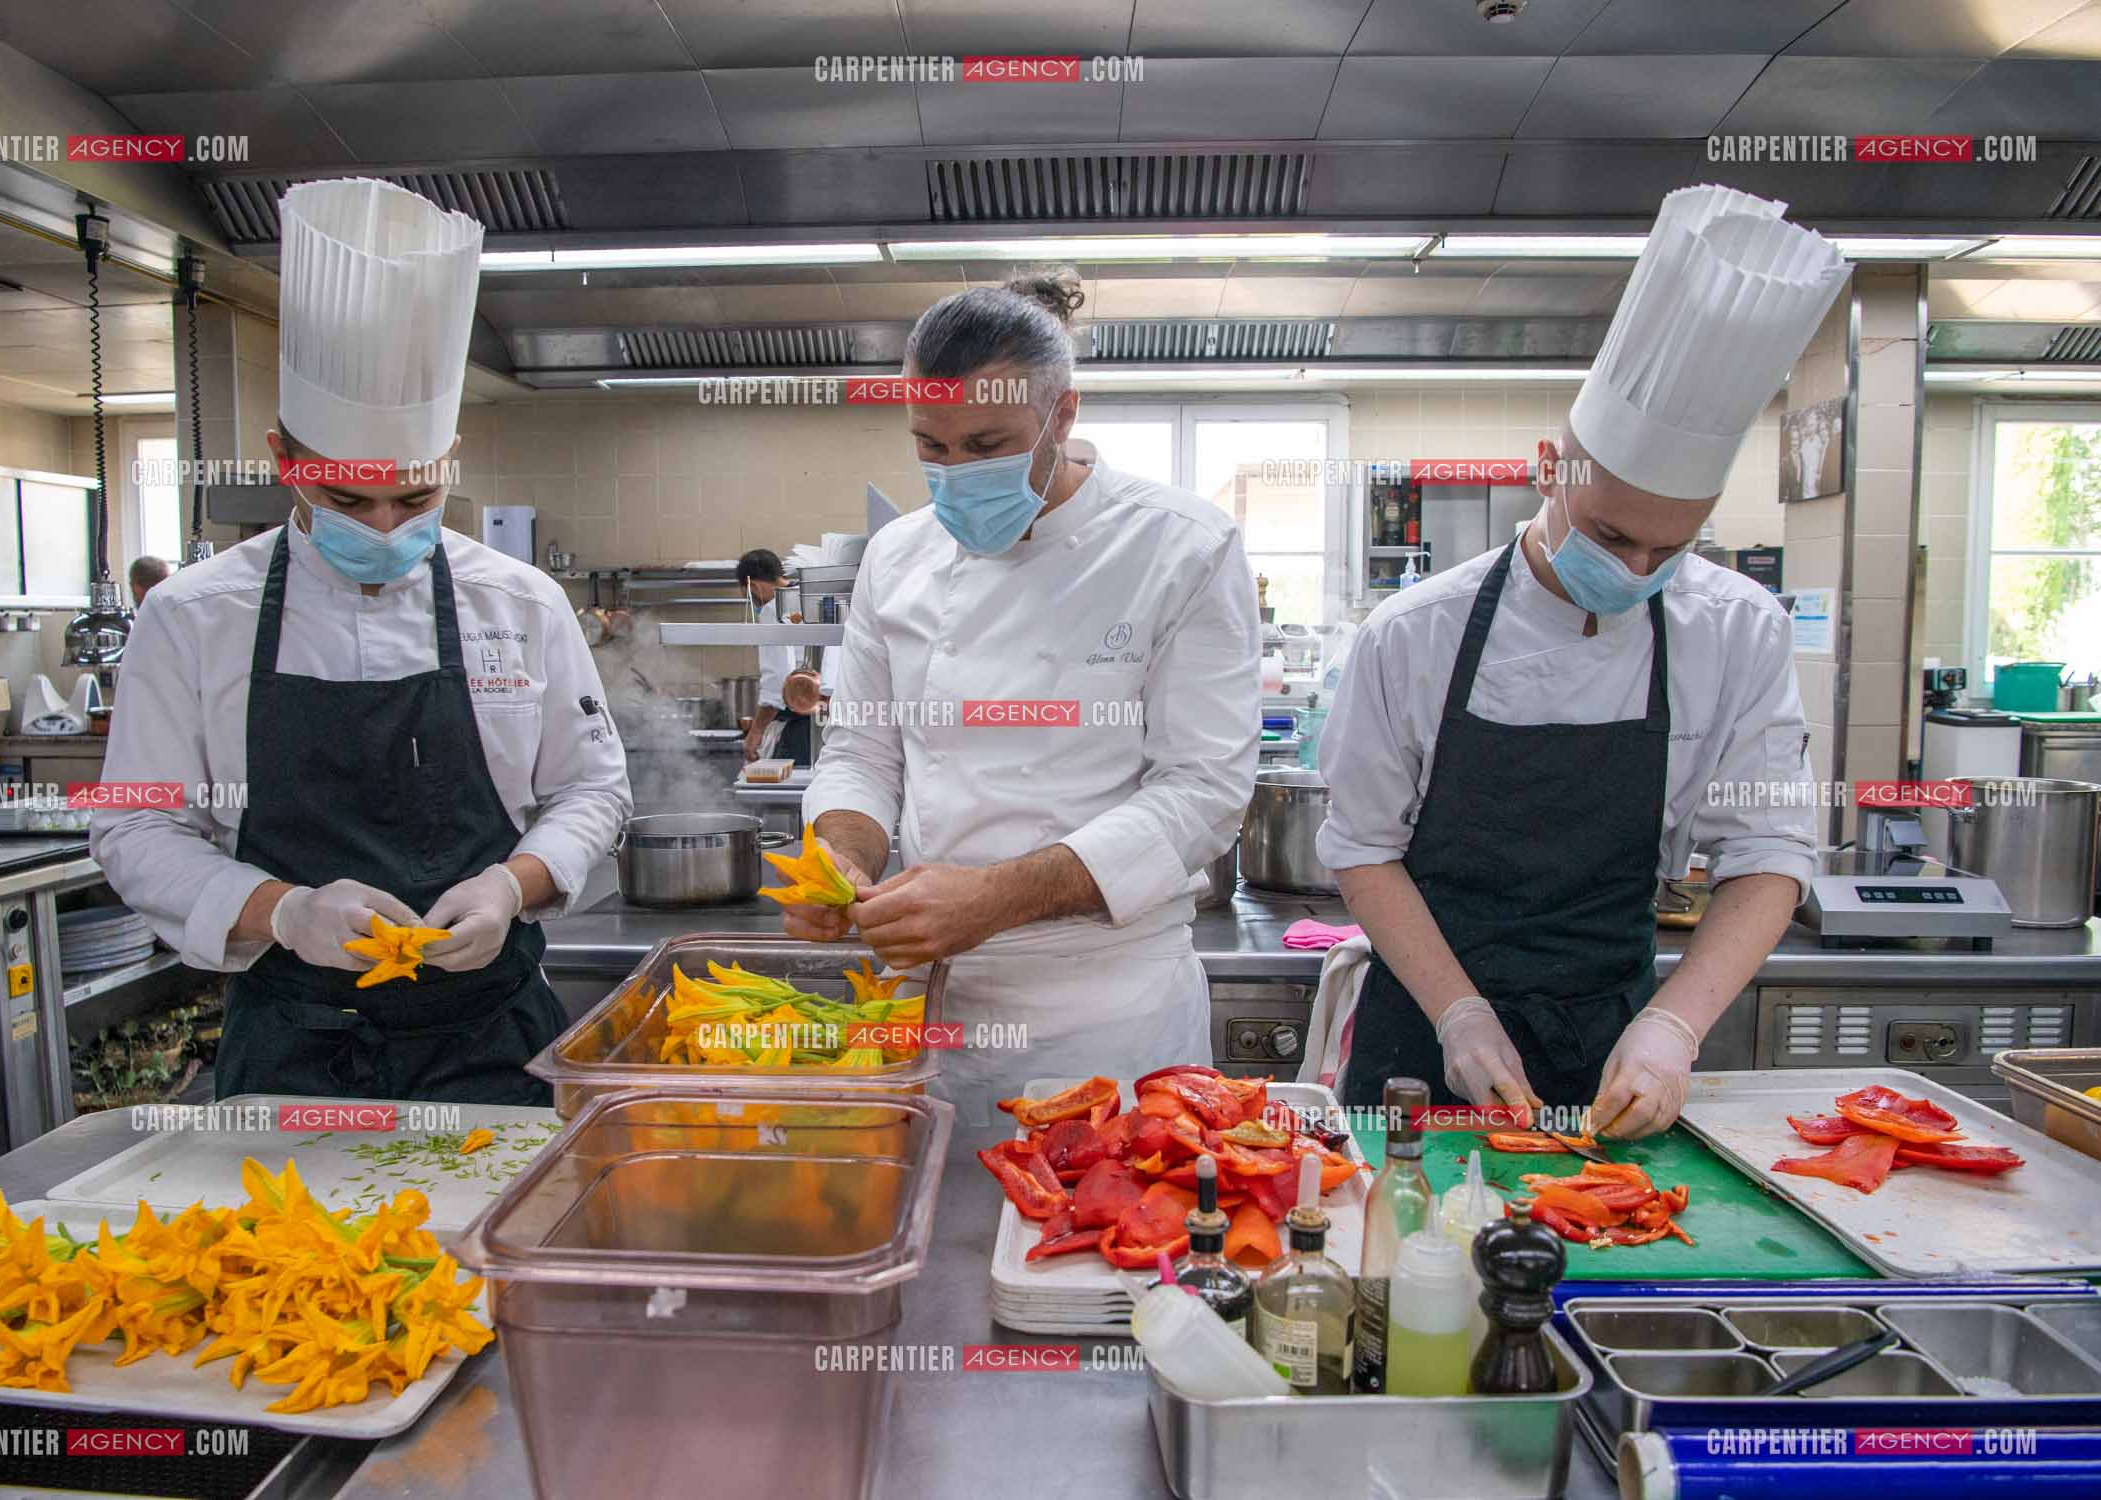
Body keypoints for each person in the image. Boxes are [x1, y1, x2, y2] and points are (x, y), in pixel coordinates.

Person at [1315, 185, 1848, 1138]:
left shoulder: (1737, 630)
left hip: (1614, 1045)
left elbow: (1769, 854)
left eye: (1668, 549)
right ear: (1552, 468)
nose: (1636, 570)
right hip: (1419, 1044)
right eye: (1610, 534)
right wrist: (1460, 1013)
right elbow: (1364, 847)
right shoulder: (1414, 632)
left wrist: (1676, 1027)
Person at [92, 178, 632, 1105]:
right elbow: (137, 823)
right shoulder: (190, 616)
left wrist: (512, 885)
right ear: (286, 462)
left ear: (447, 461)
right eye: (348, 499)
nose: (385, 527)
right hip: (293, 1044)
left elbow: (591, 789)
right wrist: (285, 911)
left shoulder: (521, 602)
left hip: (494, 1041)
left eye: (416, 498)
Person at [778, 267, 1260, 1115]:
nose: (956, 473)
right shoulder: (896, 556)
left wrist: (996, 897)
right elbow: (862, 750)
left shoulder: (1183, 547)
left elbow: (1204, 792)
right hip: (930, 998)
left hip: (1108, 1016)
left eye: (990, 445)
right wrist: (841, 857)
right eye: (932, 446)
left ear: (1063, 414)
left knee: (1093, 1238)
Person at [737, 547, 816, 765]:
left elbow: (777, 683)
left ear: (753, 585)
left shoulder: (774, 609)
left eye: (749, 597)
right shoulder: (808, 595)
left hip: (802, 723)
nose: (753, 603)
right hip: (829, 720)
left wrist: (755, 733)